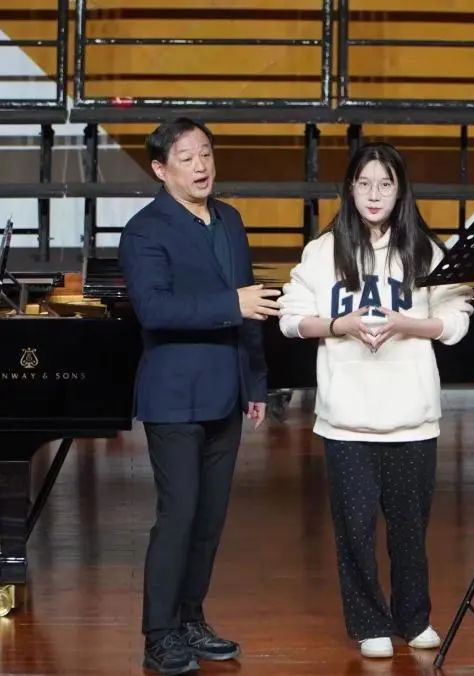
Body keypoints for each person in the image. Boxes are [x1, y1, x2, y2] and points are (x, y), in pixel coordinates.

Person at [278, 143, 474, 659]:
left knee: (410, 529)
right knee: (355, 531)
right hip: (346, 420)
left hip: (413, 416)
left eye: (385, 184)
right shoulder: (323, 252)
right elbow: (291, 320)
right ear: (349, 188)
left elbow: (456, 322)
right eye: (364, 183)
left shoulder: (427, 251)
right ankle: (369, 622)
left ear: (400, 190)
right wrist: (338, 324)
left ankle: (415, 618)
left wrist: (408, 323)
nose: (374, 194)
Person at [119, 117, 280, 675]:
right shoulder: (145, 230)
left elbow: (252, 304)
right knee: (179, 515)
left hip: (227, 390)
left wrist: (255, 382)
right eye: (186, 158)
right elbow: (155, 310)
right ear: (160, 170)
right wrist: (231, 304)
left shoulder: (230, 219)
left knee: (210, 519)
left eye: (206, 153)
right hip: (174, 395)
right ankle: (159, 633)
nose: (201, 166)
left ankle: (190, 618)